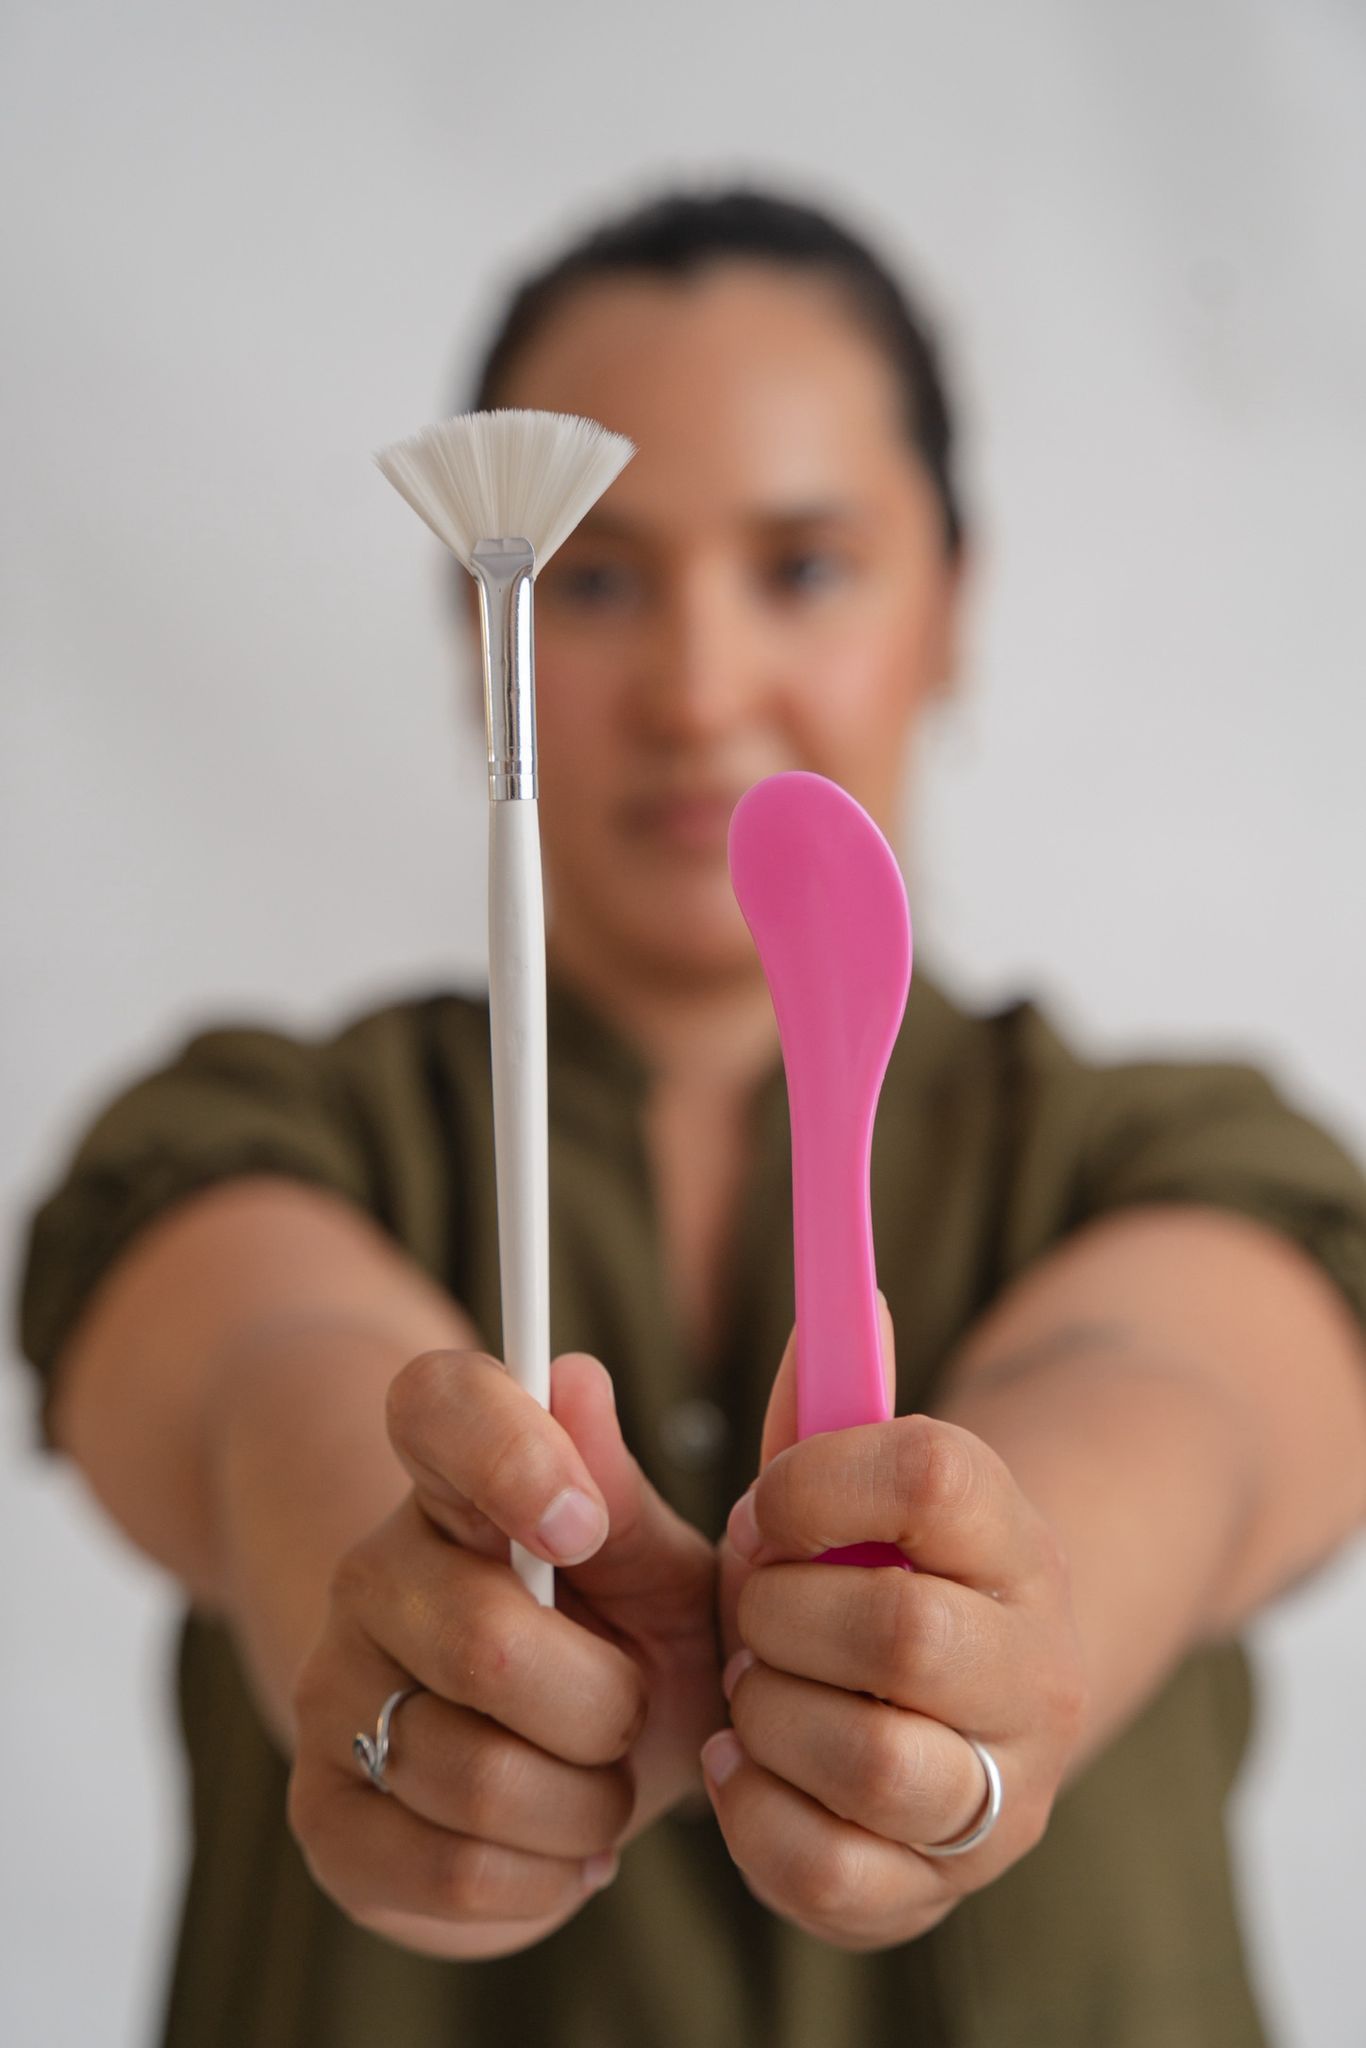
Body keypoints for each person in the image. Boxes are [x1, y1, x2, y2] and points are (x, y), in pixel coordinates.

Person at [16, 182, 1366, 2048]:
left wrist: (997, 1636)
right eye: (596, 578)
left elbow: (1184, 1400)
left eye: (801, 567)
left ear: (949, 605)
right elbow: (275, 1370)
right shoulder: (248, 1135)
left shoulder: (1190, 1164)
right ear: (472, 621)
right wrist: (424, 1645)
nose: (699, 687)